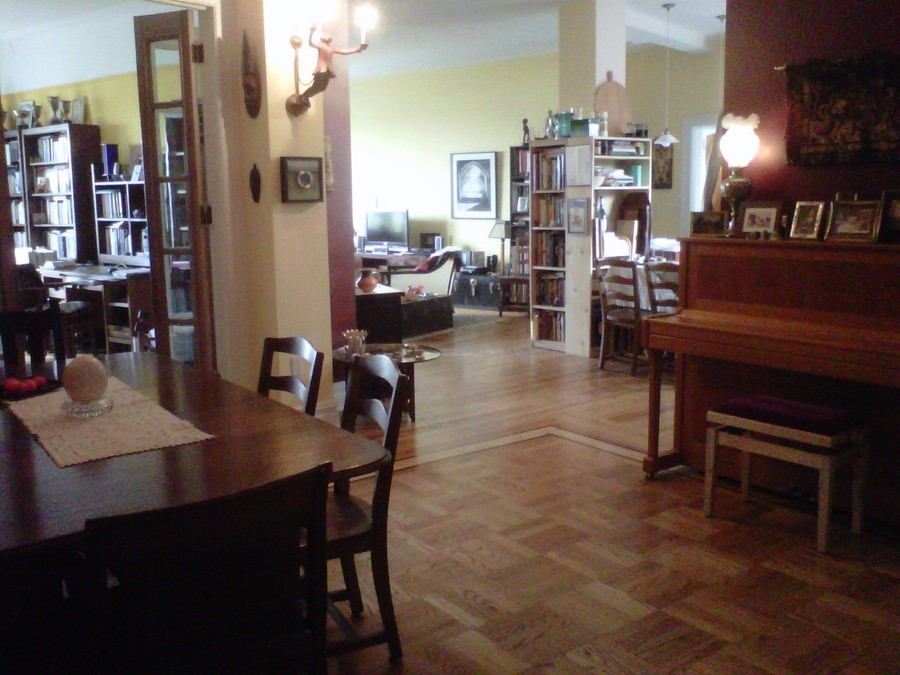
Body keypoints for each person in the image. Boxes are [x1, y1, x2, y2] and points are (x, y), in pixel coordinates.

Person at [297, 25, 367, 111]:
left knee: (322, 87)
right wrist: (311, 32)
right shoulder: (321, 46)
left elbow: (343, 52)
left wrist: (357, 49)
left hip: (327, 70)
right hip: (321, 70)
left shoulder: (330, 49)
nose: (329, 39)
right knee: (317, 85)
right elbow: (311, 43)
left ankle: (306, 96)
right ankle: (305, 95)